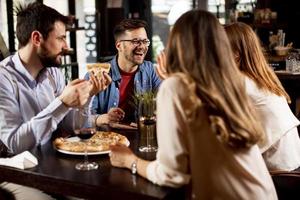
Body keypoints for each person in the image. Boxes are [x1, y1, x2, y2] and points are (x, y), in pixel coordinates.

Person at [109, 10, 278, 199]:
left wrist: (128, 160)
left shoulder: (176, 86)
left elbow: (172, 175)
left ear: (178, 44)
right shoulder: (230, 82)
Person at [0, 3, 111, 200]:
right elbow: (15, 144)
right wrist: (63, 102)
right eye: (61, 38)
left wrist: (87, 97)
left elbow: (74, 126)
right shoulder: (3, 78)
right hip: (16, 173)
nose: (66, 46)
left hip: (53, 167)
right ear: (37, 38)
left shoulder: (53, 73)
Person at [225, 22, 300, 171]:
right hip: (293, 164)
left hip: (277, 175)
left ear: (235, 54)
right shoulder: (260, 77)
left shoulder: (240, 81)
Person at [86, 19, 161, 125]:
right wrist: (102, 118)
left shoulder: (150, 70)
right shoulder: (97, 74)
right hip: (107, 139)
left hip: (141, 135)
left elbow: (164, 105)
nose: (142, 47)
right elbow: (82, 118)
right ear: (119, 45)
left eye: (145, 41)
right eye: (135, 41)